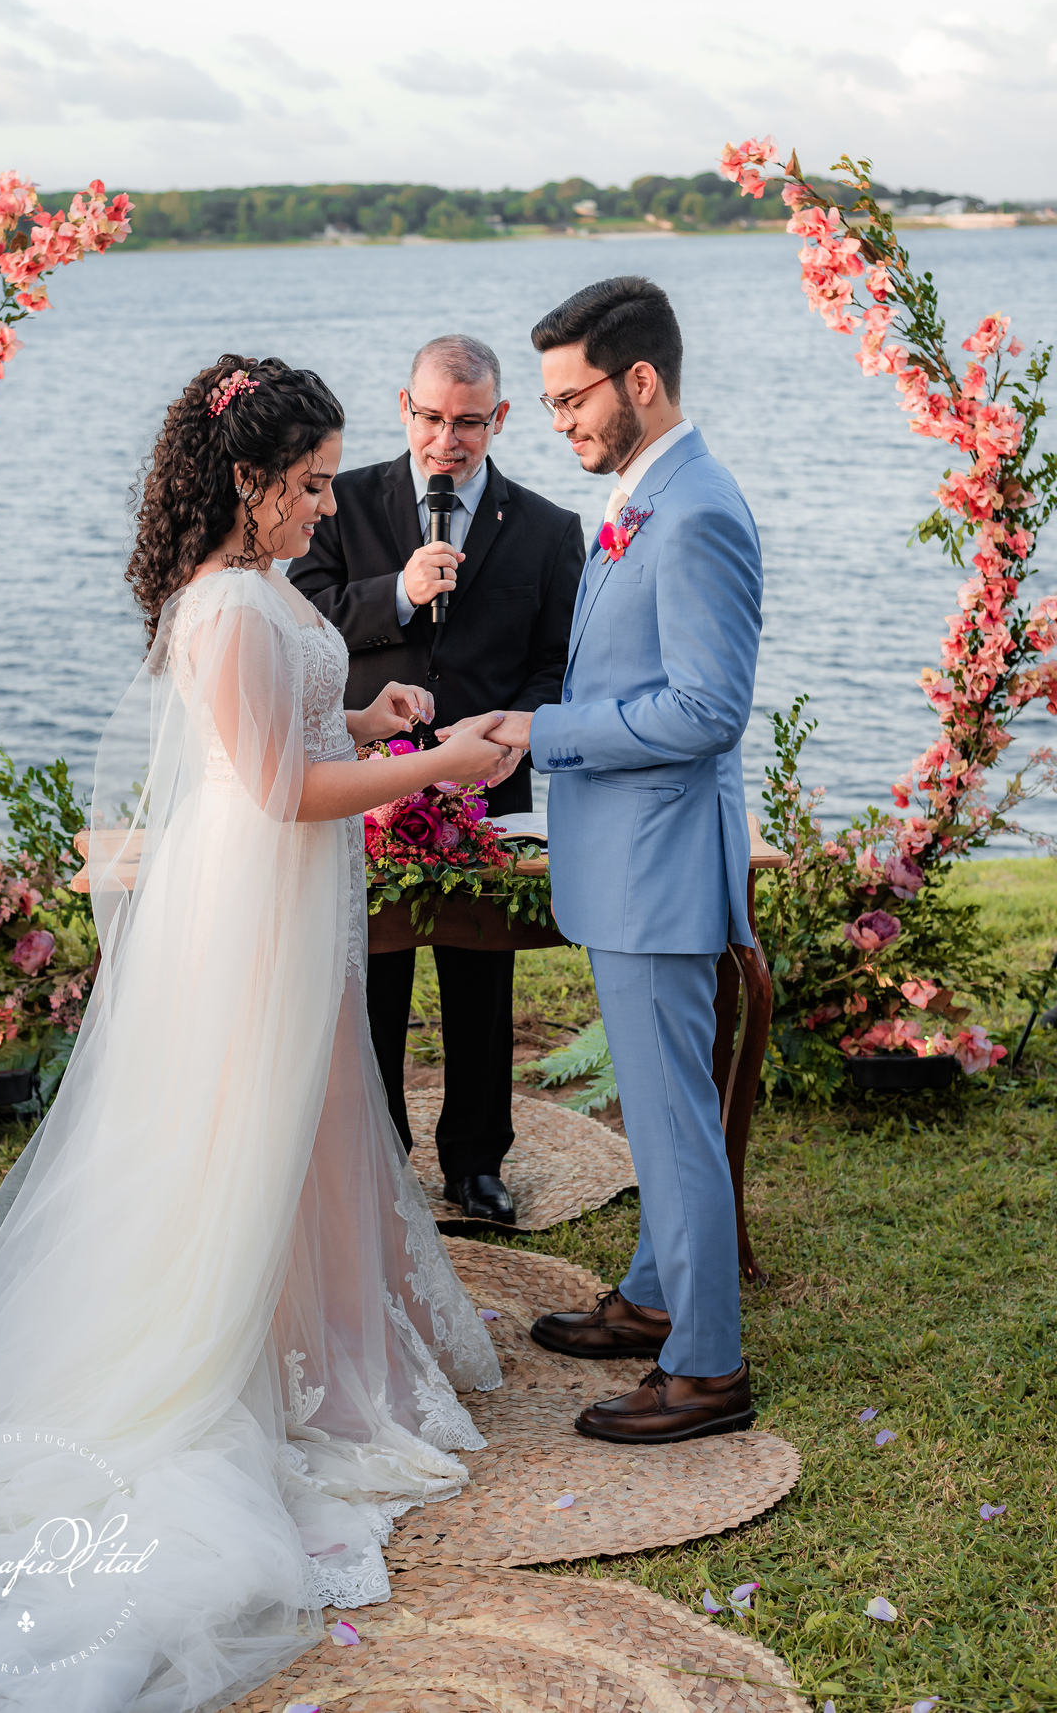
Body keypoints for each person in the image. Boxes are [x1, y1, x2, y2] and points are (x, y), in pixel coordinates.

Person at [0, 355, 507, 1710]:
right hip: (249, 911)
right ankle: (242, 1361)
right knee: (247, 1130)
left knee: (314, 1121)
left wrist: (372, 713)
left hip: (285, 900)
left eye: (334, 483)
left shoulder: (261, 590)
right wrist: (437, 764)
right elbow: (276, 789)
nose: (331, 511)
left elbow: (298, 730)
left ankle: (322, 1346)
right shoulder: (217, 607)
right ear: (248, 483)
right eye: (314, 487)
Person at [455, 278, 763, 1443]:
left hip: (660, 865)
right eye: (548, 403)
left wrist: (548, 733)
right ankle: (650, 1297)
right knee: (657, 1107)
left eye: (572, 396)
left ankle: (706, 1370)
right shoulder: (645, 493)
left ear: (641, 381)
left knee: (672, 1121)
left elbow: (705, 709)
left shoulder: (696, 513)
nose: (562, 421)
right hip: (632, 858)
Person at [289, 335, 584, 1225]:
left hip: (486, 784)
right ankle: (378, 1157)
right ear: (404, 408)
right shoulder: (341, 504)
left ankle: (475, 1162)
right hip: (365, 777)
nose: (445, 440)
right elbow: (304, 621)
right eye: (430, 418)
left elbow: (556, 668)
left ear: (498, 418)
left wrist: (504, 741)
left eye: (467, 422)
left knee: (481, 976)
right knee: (369, 970)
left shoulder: (547, 529)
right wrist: (402, 593)